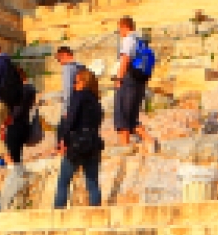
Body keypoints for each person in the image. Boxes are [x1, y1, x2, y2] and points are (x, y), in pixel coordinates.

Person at [53, 66, 106, 209]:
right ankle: (96, 214)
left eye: (76, 82)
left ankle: (57, 216)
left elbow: (70, 119)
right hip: (93, 143)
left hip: (77, 143)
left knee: (63, 182)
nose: (74, 86)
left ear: (84, 82)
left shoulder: (79, 96)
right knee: (92, 182)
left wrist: (62, 139)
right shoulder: (96, 103)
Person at [111, 15, 150, 147]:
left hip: (127, 82)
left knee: (122, 117)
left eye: (119, 29)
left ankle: (124, 148)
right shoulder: (140, 41)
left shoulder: (128, 40)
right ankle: (150, 141)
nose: (120, 33)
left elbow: (125, 60)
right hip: (138, 82)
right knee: (131, 118)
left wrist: (118, 79)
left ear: (124, 27)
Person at [4, 79, 39, 165]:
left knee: (12, 154)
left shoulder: (20, 93)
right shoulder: (30, 90)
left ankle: (15, 171)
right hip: (24, 125)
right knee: (18, 154)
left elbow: (16, 111)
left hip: (15, 127)